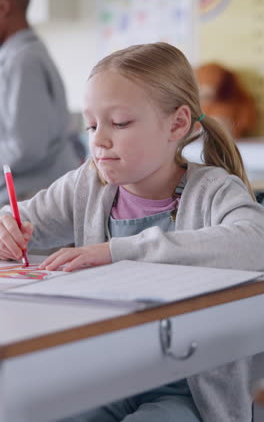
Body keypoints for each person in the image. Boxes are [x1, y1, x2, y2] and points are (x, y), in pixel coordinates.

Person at [0, 42, 264, 422]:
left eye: (119, 123)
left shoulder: (213, 191)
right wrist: (6, 226)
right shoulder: (86, 186)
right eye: (91, 125)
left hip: (194, 391)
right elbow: (20, 218)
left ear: (177, 124)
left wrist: (115, 251)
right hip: (110, 376)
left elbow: (255, 244)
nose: (99, 140)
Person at [0, 0, 81, 206]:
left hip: (33, 198)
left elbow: (28, 147)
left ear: (3, 7)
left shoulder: (23, 61)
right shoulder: (18, 55)